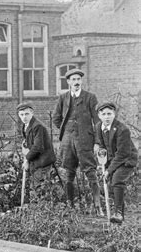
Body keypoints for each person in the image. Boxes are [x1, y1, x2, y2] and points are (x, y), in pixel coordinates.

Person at [53, 68, 102, 213]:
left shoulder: (90, 97)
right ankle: (70, 206)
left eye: (78, 79)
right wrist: (66, 129)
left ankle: (98, 206)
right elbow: (56, 118)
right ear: (68, 82)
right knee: (69, 173)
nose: (76, 82)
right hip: (68, 142)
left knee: (91, 172)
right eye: (73, 80)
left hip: (85, 140)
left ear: (81, 81)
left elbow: (97, 121)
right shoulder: (63, 98)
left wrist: (97, 142)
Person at [95, 102, 137, 224]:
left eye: (110, 114)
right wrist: (102, 163)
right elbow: (103, 147)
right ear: (99, 115)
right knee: (110, 184)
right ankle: (119, 217)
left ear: (114, 114)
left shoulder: (122, 129)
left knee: (117, 179)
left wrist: (109, 170)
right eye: (104, 114)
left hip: (127, 159)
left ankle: (118, 213)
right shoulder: (98, 127)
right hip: (114, 159)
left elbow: (123, 153)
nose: (107, 117)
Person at [17, 103, 56, 202]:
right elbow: (29, 142)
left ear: (32, 113)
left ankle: (40, 210)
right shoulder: (26, 126)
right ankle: (37, 208)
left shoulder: (37, 126)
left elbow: (38, 147)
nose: (24, 117)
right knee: (34, 185)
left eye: (26, 114)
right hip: (35, 160)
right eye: (21, 115)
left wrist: (27, 160)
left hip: (43, 160)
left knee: (38, 185)